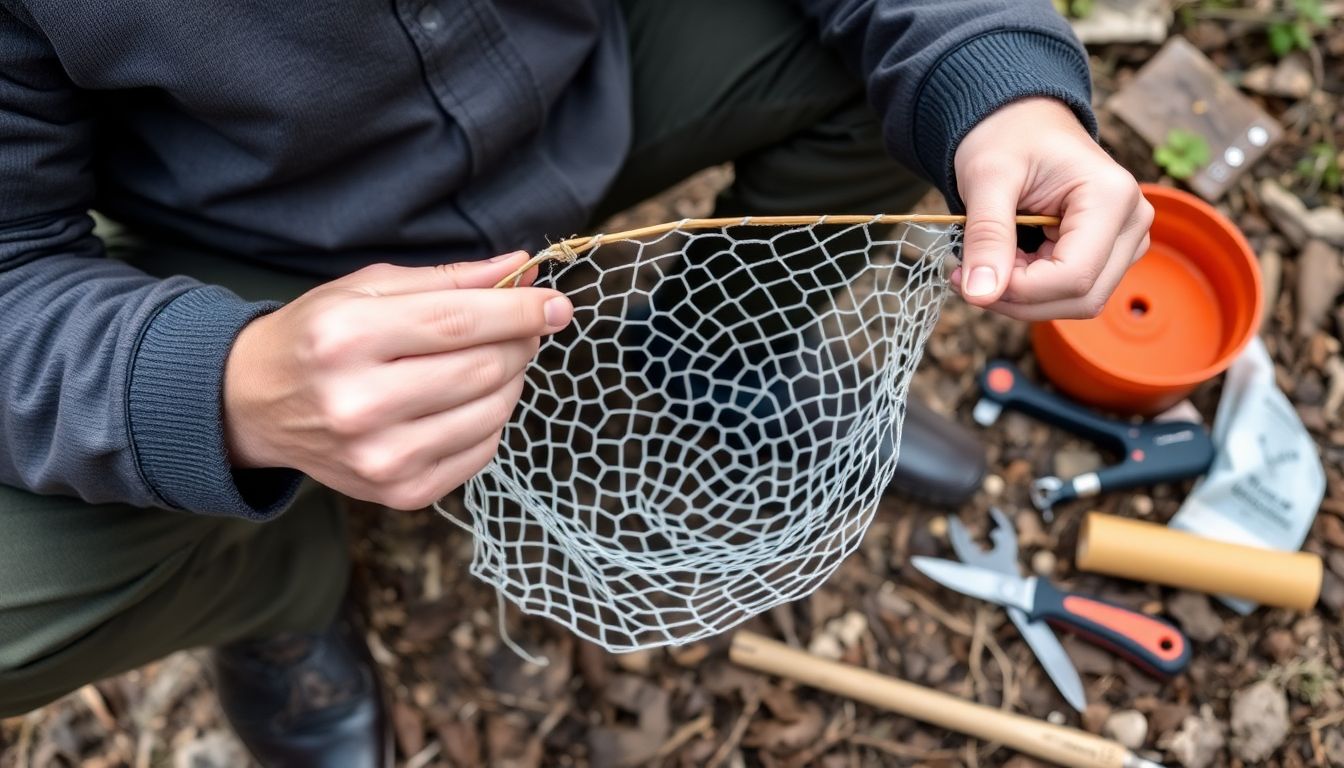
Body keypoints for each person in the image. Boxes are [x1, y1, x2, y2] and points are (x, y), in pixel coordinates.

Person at [0, 0, 1152, 764]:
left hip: (595, 68)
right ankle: (279, 594)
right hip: (250, 244)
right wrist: (222, 392)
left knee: (887, 64)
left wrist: (991, 75)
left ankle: (710, 356)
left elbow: (953, 47)